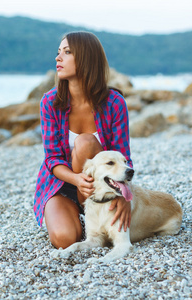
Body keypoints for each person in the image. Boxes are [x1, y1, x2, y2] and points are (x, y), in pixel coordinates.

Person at [33, 31, 133, 249]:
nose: (58, 58)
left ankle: (94, 216)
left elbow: (123, 158)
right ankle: (80, 217)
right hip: (63, 184)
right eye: (58, 52)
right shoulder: (50, 102)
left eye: (67, 52)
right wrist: (77, 180)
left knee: (86, 142)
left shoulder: (114, 102)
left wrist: (125, 195)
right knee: (64, 239)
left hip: (102, 186)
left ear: (87, 58)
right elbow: (52, 159)